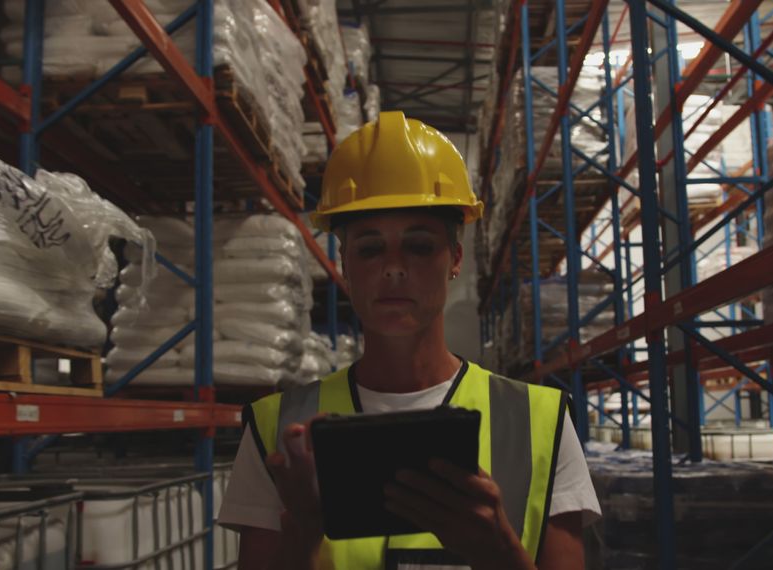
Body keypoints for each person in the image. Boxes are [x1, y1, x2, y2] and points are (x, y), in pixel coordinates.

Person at [219, 111, 600, 569]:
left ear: (455, 258)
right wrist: (303, 531)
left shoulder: (544, 424)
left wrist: (501, 553)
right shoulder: (275, 431)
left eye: (419, 246)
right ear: (345, 263)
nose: (394, 267)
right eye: (370, 248)